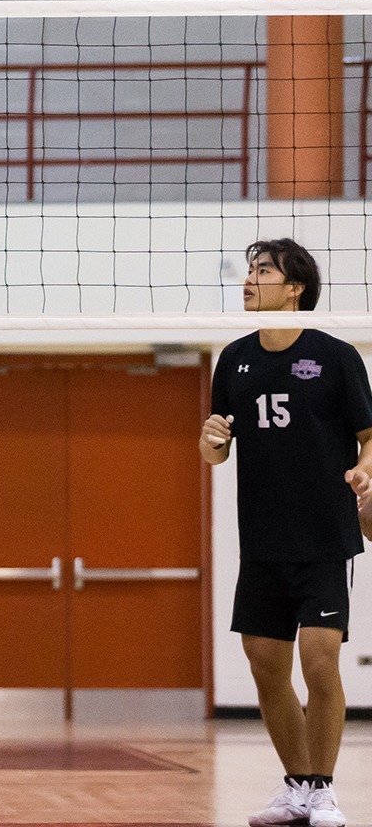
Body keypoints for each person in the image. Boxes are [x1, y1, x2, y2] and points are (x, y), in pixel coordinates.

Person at [203, 238, 372, 827]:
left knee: (320, 661)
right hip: (263, 540)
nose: (249, 280)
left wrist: (363, 470)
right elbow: (219, 446)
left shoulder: (336, 355)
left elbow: (370, 435)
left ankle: (324, 790)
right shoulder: (234, 359)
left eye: (263, 271)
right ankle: (297, 786)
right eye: (249, 271)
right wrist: (210, 445)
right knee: (264, 664)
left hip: (324, 535)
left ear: (294, 287)